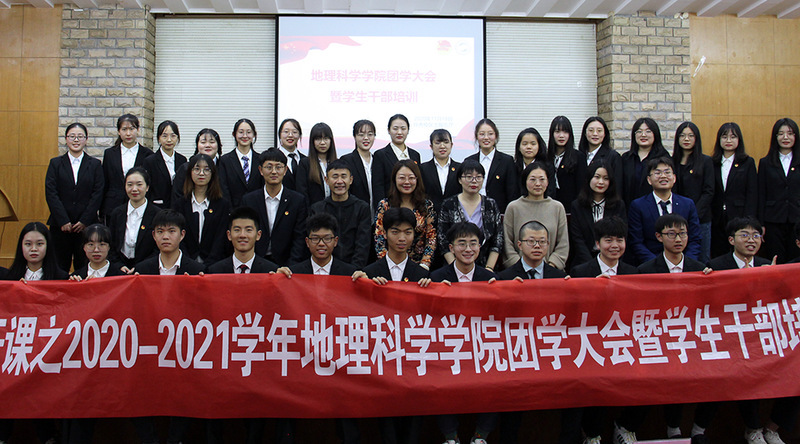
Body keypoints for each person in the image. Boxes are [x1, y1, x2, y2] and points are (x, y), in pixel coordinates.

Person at [610, 214, 710, 444]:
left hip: (689, 339)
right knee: (652, 380)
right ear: (658, 237)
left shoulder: (700, 270)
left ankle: (692, 429)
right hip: (655, 340)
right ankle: (630, 427)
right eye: (671, 234)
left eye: (682, 234)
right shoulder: (645, 270)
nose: (678, 239)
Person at [698, 217, 792, 444]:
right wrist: (706, 280)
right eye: (745, 235)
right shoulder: (716, 266)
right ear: (731, 240)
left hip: (761, 338)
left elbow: (785, 301)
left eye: (756, 236)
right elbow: (706, 302)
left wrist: (775, 279)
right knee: (736, 374)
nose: (751, 240)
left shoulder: (768, 265)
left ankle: (768, 429)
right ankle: (708, 429)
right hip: (728, 337)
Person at [564, 216, 637, 444]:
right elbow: (572, 311)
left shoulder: (634, 273)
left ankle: (625, 427)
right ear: (597, 243)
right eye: (608, 240)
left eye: (620, 240)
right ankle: (592, 434)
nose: (615, 245)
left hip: (624, 342)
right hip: (590, 343)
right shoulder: (580, 272)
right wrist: (592, 289)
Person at [132, 209, 202, 444]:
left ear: (182, 235)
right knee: (136, 391)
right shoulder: (141, 271)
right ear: (153, 236)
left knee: (186, 393)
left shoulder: (196, 271)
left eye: (171, 231)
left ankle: (176, 439)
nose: (165, 236)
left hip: (184, 348)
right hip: (149, 346)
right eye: (160, 231)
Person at [430, 222, 496, 444]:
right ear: (451, 248)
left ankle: (481, 436)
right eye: (462, 244)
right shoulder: (436, 277)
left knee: (499, 380)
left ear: (480, 247)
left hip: (482, 348)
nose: (468, 249)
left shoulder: (491, 279)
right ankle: (451, 437)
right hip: (448, 348)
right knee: (437, 382)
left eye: (473, 244)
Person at [1, 225, 63, 444]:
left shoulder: (62, 278)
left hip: (49, 351)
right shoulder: (9, 278)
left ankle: (48, 436)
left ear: (48, 246)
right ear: (21, 247)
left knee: (40, 391)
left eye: (39, 244)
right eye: (28, 244)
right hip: (17, 348)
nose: (33, 249)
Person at [45, 122, 104, 272]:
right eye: (72, 136)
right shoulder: (55, 163)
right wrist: (63, 220)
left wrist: (84, 220)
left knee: (84, 266)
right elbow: (51, 193)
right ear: (66, 139)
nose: (76, 140)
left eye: (80, 136)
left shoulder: (95, 164)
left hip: (86, 226)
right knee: (59, 266)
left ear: (86, 139)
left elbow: (97, 193)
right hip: (60, 226)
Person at [628, 157, 702, 264]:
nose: (663, 176)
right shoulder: (638, 206)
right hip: (651, 265)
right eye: (658, 173)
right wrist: (657, 264)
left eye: (667, 172)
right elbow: (636, 242)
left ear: (674, 178)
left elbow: (695, 239)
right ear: (649, 180)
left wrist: (685, 263)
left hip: (683, 264)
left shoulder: (687, 204)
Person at [240, 148, 308, 266]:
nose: (274, 172)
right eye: (269, 167)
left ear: (285, 170)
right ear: (261, 170)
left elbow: (299, 237)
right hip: (255, 263)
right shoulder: (249, 200)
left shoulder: (297, 201)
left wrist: (291, 266)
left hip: (287, 264)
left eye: (278, 167)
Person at [437, 160, 503, 271]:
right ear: (460, 180)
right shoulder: (449, 205)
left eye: (478, 177)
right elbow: (443, 240)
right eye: (469, 177)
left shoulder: (490, 204)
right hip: (454, 267)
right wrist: (457, 269)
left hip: (485, 266)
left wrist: (489, 268)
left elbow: (497, 239)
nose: (474, 181)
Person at [503, 162, 568, 270]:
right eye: (532, 179)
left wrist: (549, 267)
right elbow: (507, 243)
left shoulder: (557, 207)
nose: (538, 184)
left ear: (548, 182)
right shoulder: (514, 207)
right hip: (518, 272)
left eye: (542, 179)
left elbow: (563, 244)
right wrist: (520, 267)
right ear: (525, 181)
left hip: (551, 272)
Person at [374, 160, 436, 269]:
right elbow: (379, 238)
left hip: (419, 267)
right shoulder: (385, 205)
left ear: (417, 180)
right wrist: (386, 266)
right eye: (402, 178)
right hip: (390, 266)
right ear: (394, 179)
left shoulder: (426, 206)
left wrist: (424, 265)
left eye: (411, 178)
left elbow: (431, 238)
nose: (407, 182)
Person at [308, 160, 371, 268]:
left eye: (343, 176)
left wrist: (354, 270)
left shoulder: (362, 208)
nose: (339, 181)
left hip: (354, 270)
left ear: (351, 180)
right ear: (327, 180)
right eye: (335, 177)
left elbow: (363, 244)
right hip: (325, 268)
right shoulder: (317, 209)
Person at [171, 153, 231, 264]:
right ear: (190, 172)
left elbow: (220, 238)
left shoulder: (222, 205)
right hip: (186, 264)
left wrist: (210, 264)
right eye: (197, 169)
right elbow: (178, 236)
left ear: (213, 173)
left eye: (206, 169)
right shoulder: (180, 204)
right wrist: (189, 263)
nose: (201, 173)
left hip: (214, 264)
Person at [710, 122, 757, 258]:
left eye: (733, 137)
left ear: (739, 139)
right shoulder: (712, 162)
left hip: (739, 216)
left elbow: (752, 193)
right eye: (725, 137)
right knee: (718, 254)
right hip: (717, 218)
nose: (728, 141)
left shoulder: (747, 162)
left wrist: (749, 219)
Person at [758, 118, 800, 263]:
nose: (785, 137)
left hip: (797, 218)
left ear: (796, 136)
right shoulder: (765, 162)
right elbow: (761, 194)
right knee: (776, 259)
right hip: (773, 219)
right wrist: (761, 223)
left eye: (790, 133)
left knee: (795, 260)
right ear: (775, 137)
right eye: (781, 134)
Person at [569, 160, 626, 266]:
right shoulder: (577, 205)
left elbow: (622, 235)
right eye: (597, 177)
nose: (601, 182)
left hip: (611, 259)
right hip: (584, 261)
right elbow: (577, 239)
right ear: (589, 178)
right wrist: (592, 265)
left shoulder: (618, 205)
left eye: (606, 178)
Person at [672, 121, 714, 264]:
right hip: (677, 219)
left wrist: (694, 214)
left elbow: (709, 191)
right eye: (682, 135)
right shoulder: (672, 162)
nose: (686, 139)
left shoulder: (706, 161)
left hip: (701, 219)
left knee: (701, 259)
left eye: (691, 136)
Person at [101, 113, 153, 219]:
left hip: (139, 205)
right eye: (124, 129)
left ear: (138, 130)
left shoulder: (147, 154)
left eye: (132, 129)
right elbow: (105, 182)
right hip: (113, 205)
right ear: (118, 131)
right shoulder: (110, 154)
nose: (128, 133)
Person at [108, 167, 161, 270]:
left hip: (147, 268)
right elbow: (111, 244)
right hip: (121, 268)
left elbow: (158, 248)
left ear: (147, 187)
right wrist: (119, 265)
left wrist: (141, 267)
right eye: (130, 185)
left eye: (139, 184)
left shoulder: (157, 214)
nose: (134, 189)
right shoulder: (117, 213)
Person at [361, 207, 430, 286]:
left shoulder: (422, 275)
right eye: (395, 232)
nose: (402, 238)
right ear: (384, 233)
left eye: (408, 232)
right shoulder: (370, 273)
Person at [206, 206, 279, 274]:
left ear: (258, 235)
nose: (242, 235)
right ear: (229, 235)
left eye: (248, 230)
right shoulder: (215, 271)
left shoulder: (271, 271)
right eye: (237, 230)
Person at [466, 118, 519, 213]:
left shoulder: (507, 161)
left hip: (499, 213)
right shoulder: (469, 161)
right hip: (473, 212)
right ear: (476, 136)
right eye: (482, 134)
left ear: (496, 136)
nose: (486, 138)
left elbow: (512, 192)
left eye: (490, 134)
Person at [620, 117, 669, 207]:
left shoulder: (663, 158)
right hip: (629, 208)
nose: (643, 135)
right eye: (639, 131)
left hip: (654, 208)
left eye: (648, 131)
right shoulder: (626, 158)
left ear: (655, 134)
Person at [373, 114, 421, 199]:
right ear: (389, 130)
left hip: (412, 203)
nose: (399, 132)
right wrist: (382, 205)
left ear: (408, 130)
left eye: (403, 128)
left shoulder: (415, 155)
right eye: (395, 129)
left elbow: (418, 183)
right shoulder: (380, 155)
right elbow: (378, 186)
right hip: (390, 203)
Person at [498, 220, 567, 280]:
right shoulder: (505, 278)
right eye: (531, 241)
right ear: (520, 245)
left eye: (542, 241)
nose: (537, 246)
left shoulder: (559, 277)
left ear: (548, 244)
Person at [143, 120, 187, 208]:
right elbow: (147, 188)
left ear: (177, 138)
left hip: (178, 207)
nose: (169, 140)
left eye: (173, 136)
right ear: (159, 138)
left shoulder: (182, 160)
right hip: (157, 207)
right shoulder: (150, 161)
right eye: (164, 136)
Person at [218, 118, 263, 207]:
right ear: (234, 134)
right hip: (233, 210)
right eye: (241, 132)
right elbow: (224, 189)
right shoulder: (225, 160)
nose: (245, 136)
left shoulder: (261, 159)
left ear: (254, 134)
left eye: (248, 132)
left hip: (257, 210)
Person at [172, 128, 223, 204]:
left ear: (218, 145)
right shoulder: (186, 168)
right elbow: (177, 195)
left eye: (212, 142)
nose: (207, 145)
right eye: (203, 142)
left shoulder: (225, 166)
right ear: (197, 145)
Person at [547, 116, 587, 213]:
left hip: (571, 210)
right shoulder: (546, 157)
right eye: (557, 132)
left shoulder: (579, 157)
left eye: (565, 132)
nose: (561, 136)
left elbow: (582, 188)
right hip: (549, 208)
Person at [340, 119, 379, 215]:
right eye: (361, 135)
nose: (366, 138)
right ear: (354, 137)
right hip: (355, 214)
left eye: (370, 134)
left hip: (377, 215)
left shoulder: (378, 160)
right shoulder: (347, 160)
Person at [420, 128, 461, 213]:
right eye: (438, 143)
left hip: (455, 215)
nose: (442, 146)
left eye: (446, 142)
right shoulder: (423, 168)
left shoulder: (460, 168)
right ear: (431, 146)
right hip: (430, 215)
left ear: (451, 145)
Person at [297, 122, 338, 205]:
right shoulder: (305, 164)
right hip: (313, 211)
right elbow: (302, 193)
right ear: (312, 141)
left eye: (326, 138)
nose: (322, 142)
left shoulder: (337, 163)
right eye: (318, 139)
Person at [578, 116, 623, 186]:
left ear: (605, 134)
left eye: (599, 130)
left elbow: (617, 185)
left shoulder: (613, 157)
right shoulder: (579, 155)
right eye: (591, 130)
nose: (595, 134)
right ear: (585, 133)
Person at [512, 127, 551, 196]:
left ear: (539, 146)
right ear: (519, 147)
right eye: (525, 144)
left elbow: (551, 192)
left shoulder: (547, 167)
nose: (529, 147)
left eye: (533, 144)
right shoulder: (513, 168)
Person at [276, 118, 306, 191]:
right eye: (286, 132)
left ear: (299, 135)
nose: (290, 135)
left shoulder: (306, 160)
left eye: (294, 132)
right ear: (280, 135)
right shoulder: (272, 158)